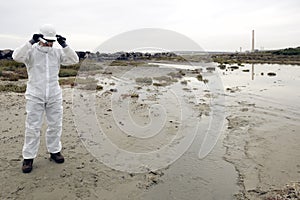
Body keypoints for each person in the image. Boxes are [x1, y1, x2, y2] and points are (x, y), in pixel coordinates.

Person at [12, 24, 79, 173]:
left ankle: (55, 151)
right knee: (33, 127)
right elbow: (16, 57)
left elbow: (74, 60)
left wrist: (64, 45)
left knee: (55, 125)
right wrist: (30, 42)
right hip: (35, 94)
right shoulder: (31, 52)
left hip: (54, 94)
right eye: (47, 40)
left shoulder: (57, 52)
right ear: (40, 38)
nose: (50, 44)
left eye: (52, 41)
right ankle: (28, 158)